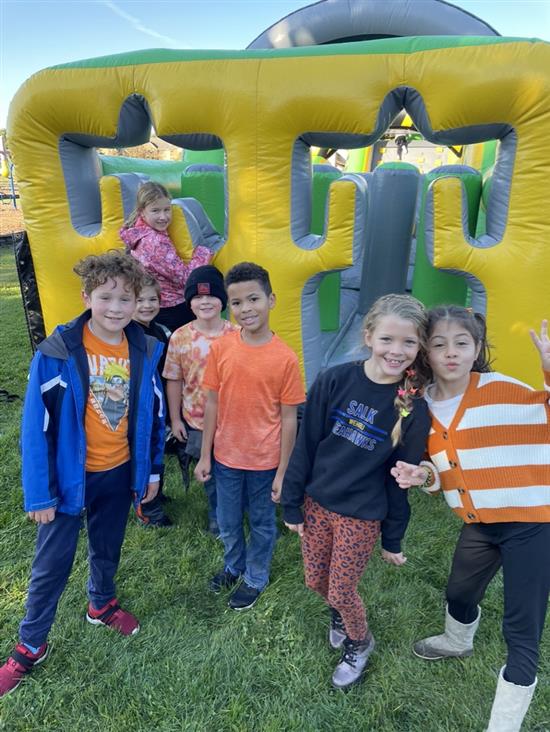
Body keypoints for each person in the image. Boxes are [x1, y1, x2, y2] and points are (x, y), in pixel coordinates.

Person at [0, 252, 165, 698]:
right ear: (86, 296)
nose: (116, 308)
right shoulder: (57, 353)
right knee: (51, 566)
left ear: (137, 303)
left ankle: (101, 603)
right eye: (106, 297)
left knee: (107, 546)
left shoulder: (145, 349)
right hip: (68, 482)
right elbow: (35, 429)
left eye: (125, 299)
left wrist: (151, 469)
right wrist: (39, 494)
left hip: (118, 474)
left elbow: (152, 413)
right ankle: (30, 644)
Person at [391, 307, 550, 732]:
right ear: (426, 351)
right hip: (479, 524)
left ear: (477, 348)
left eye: (462, 343)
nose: (451, 353)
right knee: (459, 594)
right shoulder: (419, 405)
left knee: (521, 633)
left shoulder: (506, 390)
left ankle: (503, 725)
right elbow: (437, 467)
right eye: (439, 344)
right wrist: (421, 474)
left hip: (533, 523)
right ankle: (456, 642)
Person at [281, 294, 432, 691]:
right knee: (316, 582)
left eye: (408, 343)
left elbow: (400, 481)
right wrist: (293, 503)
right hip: (317, 504)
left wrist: (393, 537)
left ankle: (359, 642)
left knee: (342, 589)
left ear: (419, 348)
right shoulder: (334, 378)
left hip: (362, 515)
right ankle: (337, 613)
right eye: (387, 339)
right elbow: (307, 443)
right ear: (368, 336)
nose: (396, 351)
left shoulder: (413, 410)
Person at [194, 262, 304, 610]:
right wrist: (205, 454)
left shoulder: (285, 359)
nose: (246, 309)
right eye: (237, 302)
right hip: (226, 457)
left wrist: (284, 471)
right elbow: (212, 403)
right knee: (227, 520)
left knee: (261, 522)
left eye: (253, 299)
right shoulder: (222, 349)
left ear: (271, 300)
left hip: (265, 462)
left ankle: (255, 575)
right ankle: (233, 564)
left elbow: (289, 419)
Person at [163, 265, 236, 536]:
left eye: (211, 296)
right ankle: (218, 517)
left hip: (233, 419)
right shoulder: (180, 337)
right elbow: (174, 379)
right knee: (212, 473)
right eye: (197, 297)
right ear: (189, 302)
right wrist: (175, 418)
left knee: (233, 470)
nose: (205, 301)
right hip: (197, 420)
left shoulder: (237, 335)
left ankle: (237, 508)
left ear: (223, 300)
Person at [120, 181, 212, 332]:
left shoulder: (138, 232)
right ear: (142, 212)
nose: (163, 217)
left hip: (158, 305)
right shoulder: (155, 243)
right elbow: (185, 278)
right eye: (155, 211)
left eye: (167, 210)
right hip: (171, 309)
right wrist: (203, 253)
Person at [132, 273, 173, 527]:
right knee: (144, 451)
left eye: (152, 299)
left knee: (158, 446)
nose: (147, 306)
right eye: (140, 300)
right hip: (140, 406)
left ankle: (157, 490)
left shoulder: (161, 331)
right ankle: (147, 507)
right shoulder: (129, 333)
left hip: (160, 401)